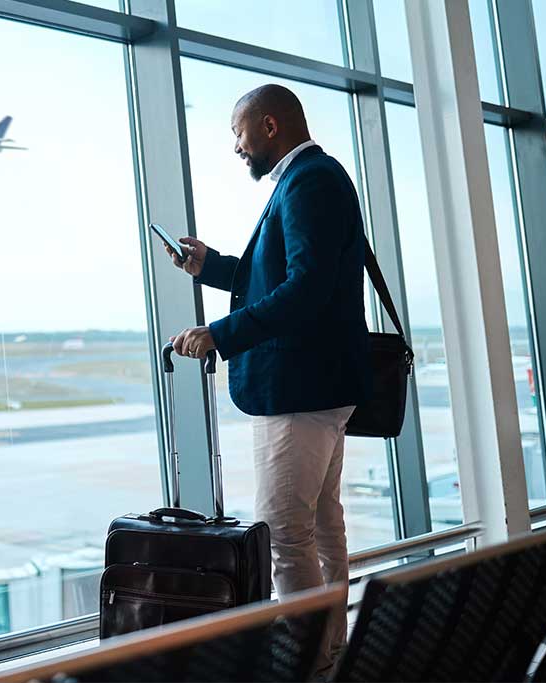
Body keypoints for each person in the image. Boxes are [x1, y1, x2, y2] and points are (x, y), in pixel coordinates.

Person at [166, 84, 371, 673]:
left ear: (271, 126)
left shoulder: (309, 181)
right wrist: (212, 266)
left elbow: (304, 291)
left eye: (238, 132)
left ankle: (307, 663)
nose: (236, 147)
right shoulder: (311, 179)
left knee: (285, 531)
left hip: (300, 388)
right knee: (322, 526)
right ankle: (331, 651)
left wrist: (221, 333)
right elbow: (277, 276)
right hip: (320, 386)